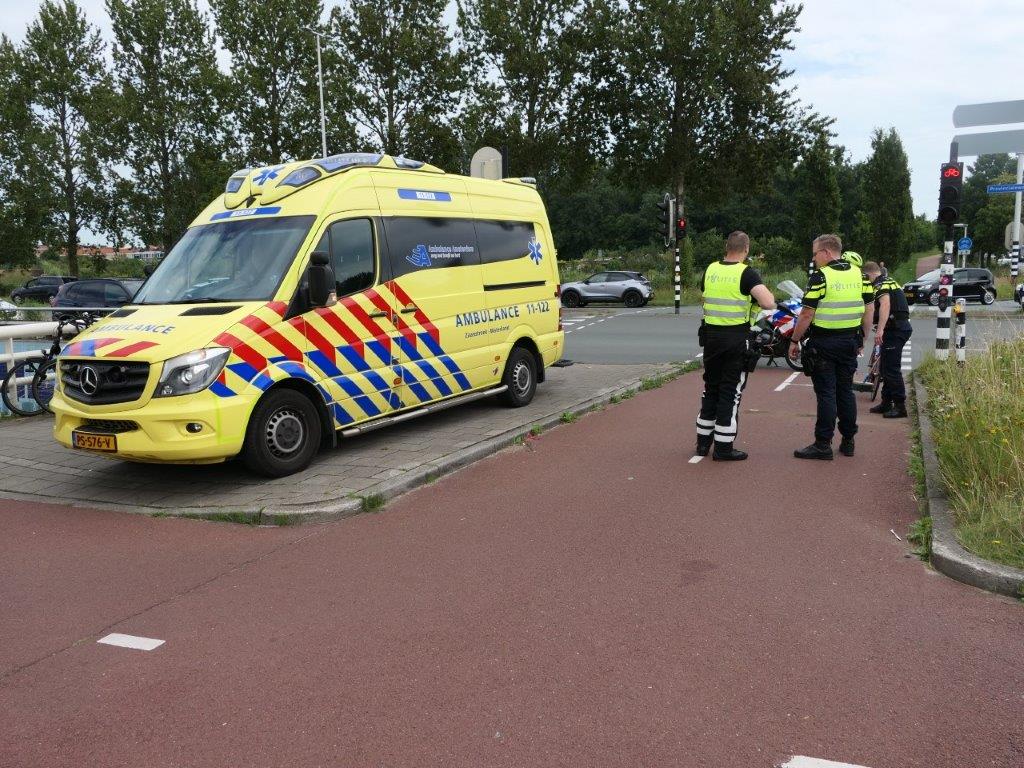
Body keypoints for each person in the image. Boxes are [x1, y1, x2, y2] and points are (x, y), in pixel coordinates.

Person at [788, 234, 874, 460]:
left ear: (826, 252)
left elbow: (807, 313)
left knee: (826, 393)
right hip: (849, 342)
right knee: (845, 391)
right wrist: (863, 338)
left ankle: (823, 444)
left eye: (815, 253)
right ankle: (848, 441)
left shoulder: (821, 277)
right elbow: (869, 308)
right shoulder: (860, 275)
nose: (814, 258)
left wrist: (794, 340)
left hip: (824, 343)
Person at [695, 230, 778, 461]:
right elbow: (768, 302)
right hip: (735, 339)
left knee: (710, 388)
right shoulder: (746, 273)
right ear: (747, 249)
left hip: (711, 337)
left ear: (726, 247)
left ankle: (703, 443)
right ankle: (723, 447)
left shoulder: (710, 269)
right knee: (730, 392)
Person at [863, 260, 912, 418]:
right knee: (885, 367)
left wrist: (880, 329)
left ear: (868, 274)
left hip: (895, 329)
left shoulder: (880, 284)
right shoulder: (889, 281)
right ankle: (886, 402)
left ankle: (900, 406)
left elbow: (885, 305)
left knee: (891, 369)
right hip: (898, 328)